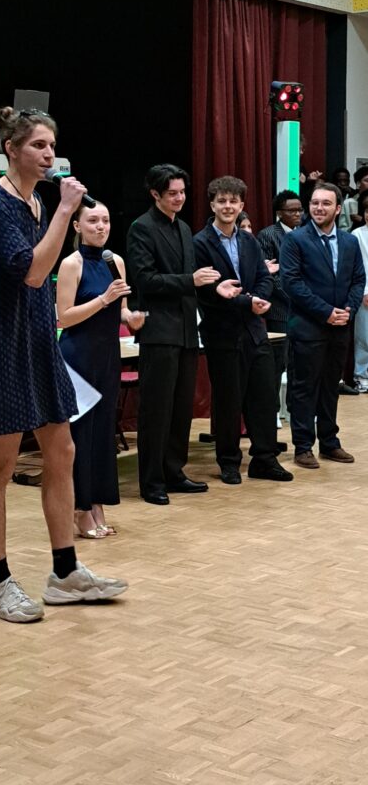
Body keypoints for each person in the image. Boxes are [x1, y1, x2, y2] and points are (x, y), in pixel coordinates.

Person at [0, 106, 127, 623]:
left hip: (40, 342)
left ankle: (64, 572)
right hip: (3, 346)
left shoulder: (38, 202)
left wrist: (55, 210)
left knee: (62, 451)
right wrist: (66, 211)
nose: (49, 153)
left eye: (52, 145)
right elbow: (34, 273)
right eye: (38, 145)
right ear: (11, 149)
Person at [127, 163, 240, 505]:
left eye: (182, 192)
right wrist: (191, 281)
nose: (179, 198)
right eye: (172, 193)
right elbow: (145, 280)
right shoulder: (141, 228)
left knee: (180, 410)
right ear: (155, 194)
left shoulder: (184, 227)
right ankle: (151, 481)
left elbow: (194, 279)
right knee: (156, 411)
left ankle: (174, 471)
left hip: (188, 330)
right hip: (159, 331)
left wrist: (215, 288)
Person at [193, 175, 293, 486]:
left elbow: (264, 276)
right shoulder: (199, 243)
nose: (228, 206)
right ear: (212, 205)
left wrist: (258, 298)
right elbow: (207, 291)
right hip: (222, 333)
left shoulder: (249, 241)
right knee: (228, 401)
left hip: (254, 330)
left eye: (233, 201)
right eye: (221, 201)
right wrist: (249, 302)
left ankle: (264, 459)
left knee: (263, 397)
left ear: (241, 205)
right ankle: (229, 462)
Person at [57, 202, 145, 537]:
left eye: (106, 220)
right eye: (92, 220)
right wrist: (104, 300)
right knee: (81, 435)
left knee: (104, 433)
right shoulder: (71, 264)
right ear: (77, 226)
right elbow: (65, 318)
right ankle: (80, 509)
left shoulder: (115, 261)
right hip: (77, 357)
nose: (101, 226)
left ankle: (98, 503)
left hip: (107, 356)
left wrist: (130, 317)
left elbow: (120, 308)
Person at [280, 181, 365, 469]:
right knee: (304, 389)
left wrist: (349, 310)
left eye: (326, 203)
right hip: (308, 327)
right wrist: (326, 311)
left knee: (331, 387)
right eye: (315, 203)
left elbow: (358, 279)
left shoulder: (350, 241)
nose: (319, 208)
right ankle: (303, 446)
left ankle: (330, 442)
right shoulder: (296, 240)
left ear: (338, 208)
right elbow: (291, 283)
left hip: (340, 327)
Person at [257, 190, 303, 416]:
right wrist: (296, 296)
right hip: (280, 309)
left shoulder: (305, 233)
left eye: (300, 210)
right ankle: (272, 411)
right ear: (279, 213)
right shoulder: (268, 235)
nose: (297, 214)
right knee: (278, 363)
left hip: (304, 310)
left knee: (299, 361)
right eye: (291, 211)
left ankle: (296, 409)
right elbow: (270, 277)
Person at [350, 189, 368, 393]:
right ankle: (362, 376)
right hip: (364, 292)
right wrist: (365, 291)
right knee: (364, 337)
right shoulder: (357, 235)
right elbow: (360, 266)